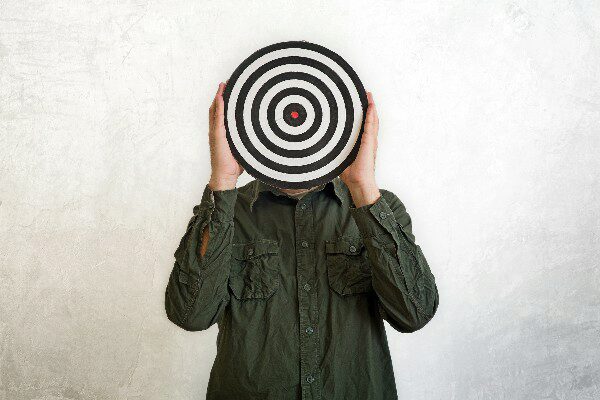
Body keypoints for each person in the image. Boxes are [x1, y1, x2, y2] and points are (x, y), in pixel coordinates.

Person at [165, 82, 439, 400]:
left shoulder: (379, 208)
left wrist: (364, 187)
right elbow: (190, 315)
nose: (295, 142)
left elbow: (415, 314)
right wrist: (223, 181)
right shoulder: (226, 211)